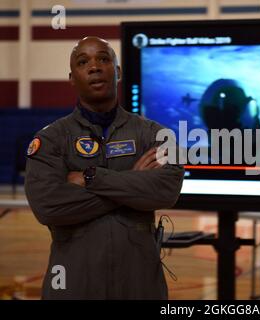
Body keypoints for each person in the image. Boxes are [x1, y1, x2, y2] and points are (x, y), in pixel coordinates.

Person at [24, 36, 184, 299]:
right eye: (83, 61)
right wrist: (133, 181)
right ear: (72, 78)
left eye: (103, 59)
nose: (94, 67)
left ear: (117, 72)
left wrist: (90, 178)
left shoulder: (154, 134)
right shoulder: (52, 139)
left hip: (140, 285)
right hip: (73, 285)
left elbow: (165, 191)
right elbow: (48, 206)